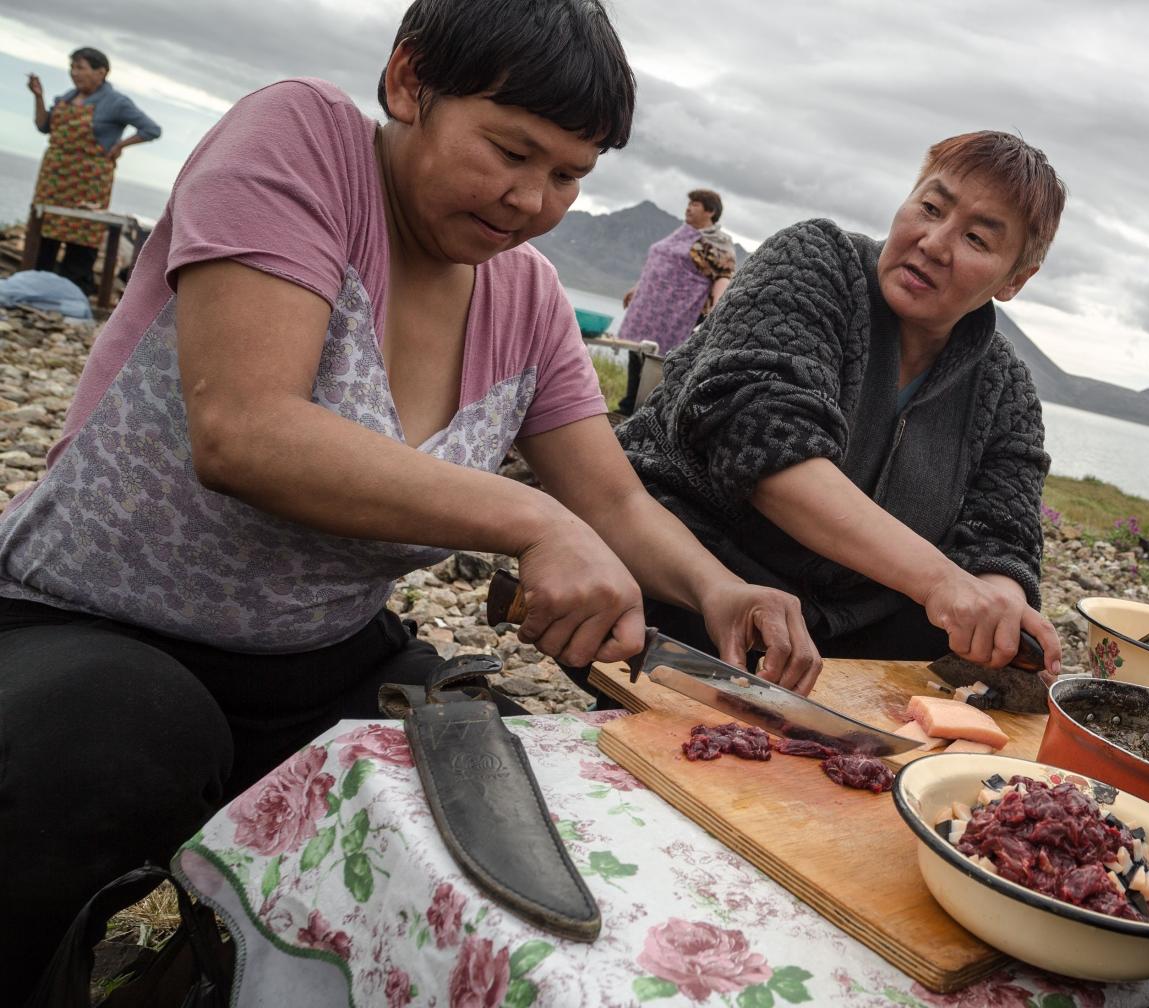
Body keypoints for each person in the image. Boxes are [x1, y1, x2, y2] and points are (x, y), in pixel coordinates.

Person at [0, 0, 819, 996]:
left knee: (517, 790)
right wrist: (528, 518)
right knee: (118, 734)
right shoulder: (303, 141)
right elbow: (246, 430)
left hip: (319, 658)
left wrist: (720, 589)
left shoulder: (528, 300)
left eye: (568, 175)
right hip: (89, 619)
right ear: (407, 83)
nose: (532, 200)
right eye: (510, 150)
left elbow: (609, 498)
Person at [616, 132, 1067, 676]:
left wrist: (996, 604)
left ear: (1015, 279)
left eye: (976, 239)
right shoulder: (815, 261)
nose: (933, 242)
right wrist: (943, 582)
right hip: (691, 575)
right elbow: (762, 441)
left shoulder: (1006, 387)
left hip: (849, 624)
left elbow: (1003, 533)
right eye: (930, 207)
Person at [26, 48, 162, 295]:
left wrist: (120, 145)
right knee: (45, 231)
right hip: (53, 178)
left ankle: (73, 291)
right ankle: (35, 287)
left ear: (102, 72)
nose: (75, 73)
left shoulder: (116, 102)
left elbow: (151, 129)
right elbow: (43, 126)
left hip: (88, 181)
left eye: (81, 68)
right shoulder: (66, 98)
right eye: (73, 68)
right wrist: (38, 96)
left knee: (82, 233)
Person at [615, 188, 737, 413]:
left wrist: (718, 306)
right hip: (649, 305)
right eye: (689, 203)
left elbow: (723, 274)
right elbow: (660, 263)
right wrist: (638, 287)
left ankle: (647, 409)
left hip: (678, 310)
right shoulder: (680, 233)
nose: (689, 207)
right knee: (637, 350)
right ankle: (628, 404)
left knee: (660, 358)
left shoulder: (715, 243)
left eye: (696, 204)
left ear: (710, 211)